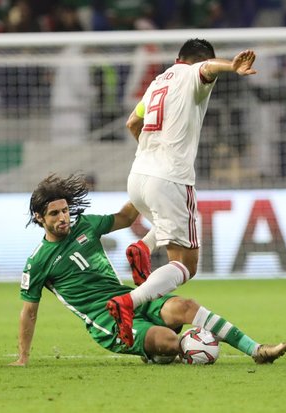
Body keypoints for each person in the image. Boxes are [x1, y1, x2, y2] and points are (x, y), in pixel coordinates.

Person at [10, 173, 286, 366]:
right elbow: (29, 311)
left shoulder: (85, 225)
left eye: (65, 211)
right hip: (106, 320)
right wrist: (23, 357)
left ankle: (257, 350)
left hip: (130, 299)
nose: (63, 218)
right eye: (54, 214)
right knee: (169, 341)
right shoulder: (38, 262)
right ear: (39, 218)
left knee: (185, 306)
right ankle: (163, 351)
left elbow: (127, 216)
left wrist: (148, 182)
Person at [122, 39, 257, 310]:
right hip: (171, 178)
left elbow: (132, 122)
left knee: (167, 224)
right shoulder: (191, 73)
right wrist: (231, 66)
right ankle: (128, 303)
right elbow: (207, 68)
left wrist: (151, 151)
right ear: (198, 60)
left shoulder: (158, 81)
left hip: (137, 176)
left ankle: (145, 248)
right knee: (185, 265)